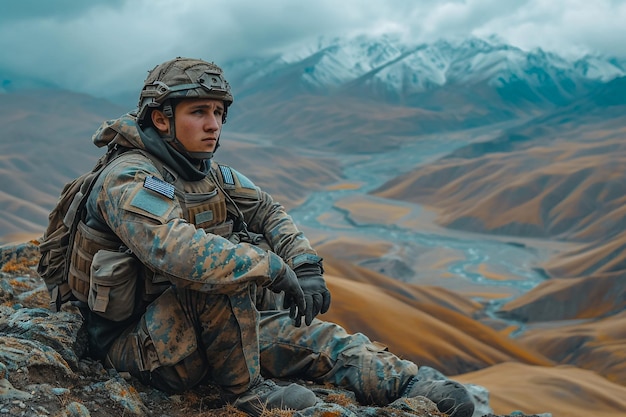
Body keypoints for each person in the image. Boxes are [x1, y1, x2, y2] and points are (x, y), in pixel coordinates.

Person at [74, 56, 475, 417]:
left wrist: (304, 263)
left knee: (318, 339)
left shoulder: (207, 173)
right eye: (198, 112)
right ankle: (248, 392)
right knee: (219, 271)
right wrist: (268, 267)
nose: (213, 124)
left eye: (218, 112)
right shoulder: (128, 178)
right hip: (138, 348)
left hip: (214, 330)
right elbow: (172, 250)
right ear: (161, 119)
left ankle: (407, 382)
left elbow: (267, 210)